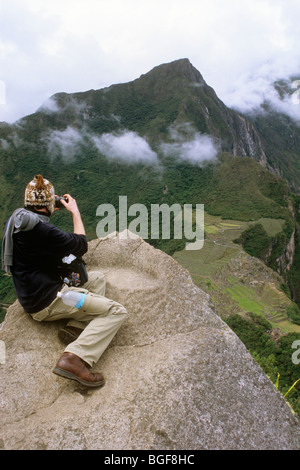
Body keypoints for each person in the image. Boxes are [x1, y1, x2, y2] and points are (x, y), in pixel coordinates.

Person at [1, 174, 128, 388]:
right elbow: (80, 244)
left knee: (96, 279)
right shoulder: (44, 231)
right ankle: (74, 359)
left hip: (35, 293)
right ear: (49, 203)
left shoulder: (19, 219)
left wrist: (49, 207)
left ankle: (76, 328)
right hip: (53, 301)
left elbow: (41, 235)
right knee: (116, 312)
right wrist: (74, 211)